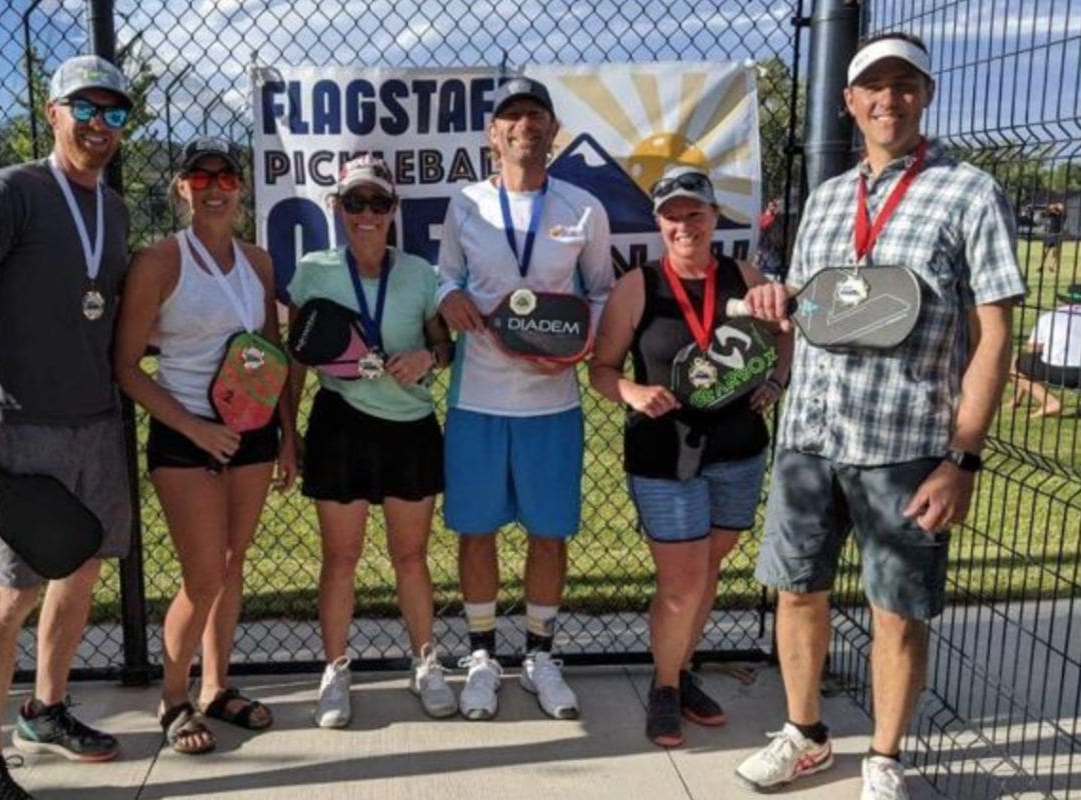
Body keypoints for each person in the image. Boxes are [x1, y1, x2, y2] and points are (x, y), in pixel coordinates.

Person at [731, 33, 1024, 800]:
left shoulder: (970, 192)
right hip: (810, 435)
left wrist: (962, 457)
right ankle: (805, 736)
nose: (887, 99)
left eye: (904, 84)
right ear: (848, 101)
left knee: (896, 611)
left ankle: (885, 758)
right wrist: (772, 310)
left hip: (905, 444)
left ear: (924, 95)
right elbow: (807, 315)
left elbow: (995, 333)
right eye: (873, 86)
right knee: (797, 591)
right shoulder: (826, 199)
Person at [0, 55, 135, 800]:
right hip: (21, 429)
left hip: (97, 423)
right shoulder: (7, 192)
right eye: (85, 108)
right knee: (8, 594)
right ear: (53, 112)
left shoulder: (113, 208)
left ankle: (46, 710)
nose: (99, 126)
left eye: (114, 113)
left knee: (79, 573)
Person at [590, 164, 792, 747]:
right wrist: (630, 391)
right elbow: (601, 369)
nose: (684, 225)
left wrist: (776, 382)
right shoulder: (639, 286)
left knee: (707, 572)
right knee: (680, 583)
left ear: (713, 217)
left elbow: (784, 331)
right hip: (664, 453)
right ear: (658, 223)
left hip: (738, 450)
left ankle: (680, 668)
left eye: (694, 214)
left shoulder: (744, 274)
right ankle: (666, 686)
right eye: (672, 216)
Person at [436, 77, 614, 721]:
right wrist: (442, 297)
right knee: (476, 531)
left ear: (552, 129)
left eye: (534, 115)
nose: (523, 126)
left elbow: (601, 292)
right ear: (493, 134)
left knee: (548, 534)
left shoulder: (583, 208)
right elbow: (445, 275)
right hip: (478, 399)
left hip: (551, 403)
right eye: (510, 116)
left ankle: (541, 653)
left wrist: (574, 343)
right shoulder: (464, 204)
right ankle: (482, 654)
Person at [113, 137, 298, 754]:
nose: (215, 188)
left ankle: (217, 687)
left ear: (241, 189)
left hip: (252, 436)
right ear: (181, 188)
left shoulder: (260, 263)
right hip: (186, 437)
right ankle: (173, 695)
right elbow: (127, 368)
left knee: (231, 564)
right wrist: (195, 429)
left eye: (226, 177)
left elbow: (273, 357)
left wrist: (287, 436)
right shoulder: (160, 263)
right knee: (203, 574)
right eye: (200, 177)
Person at [287, 155, 457, 728]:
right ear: (337, 208)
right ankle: (336, 671)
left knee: (410, 557)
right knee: (341, 558)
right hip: (340, 422)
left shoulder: (420, 273)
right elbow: (296, 355)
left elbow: (446, 347)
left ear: (393, 211)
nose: (366, 214)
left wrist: (426, 356)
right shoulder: (311, 271)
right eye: (354, 202)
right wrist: (289, 432)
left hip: (410, 429)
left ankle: (425, 662)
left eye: (377, 203)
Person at [1007, 284, 1081, 417]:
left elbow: (1031, 352)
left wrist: (1018, 398)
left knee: (1013, 363)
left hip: (1054, 372)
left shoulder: (1048, 317)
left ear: (1064, 301)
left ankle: (1049, 402)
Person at [1042, 203, 1064, 273]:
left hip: (1057, 235)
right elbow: (1046, 212)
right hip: (1051, 235)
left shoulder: (1061, 216)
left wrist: (1057, 207)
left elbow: (1062, 209)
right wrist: (1052, 206)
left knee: (1055, 252)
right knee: (1046, 251)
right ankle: (1043, 266)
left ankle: (1054, 266)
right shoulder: (1052, 215)